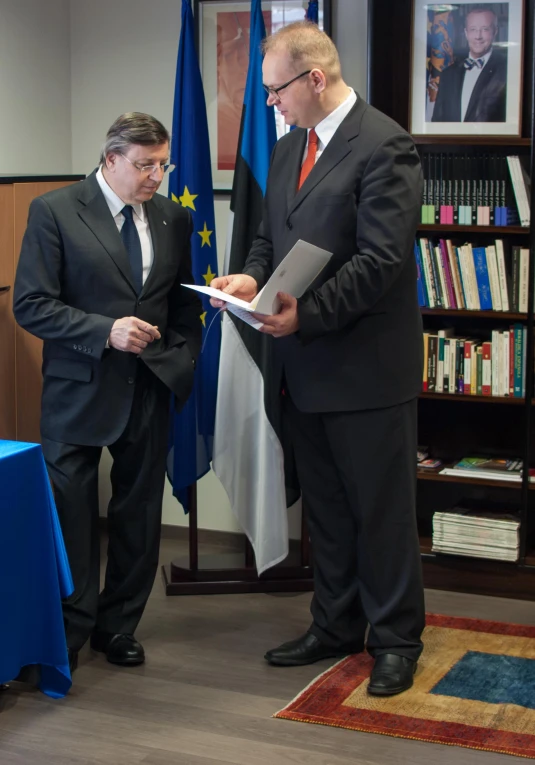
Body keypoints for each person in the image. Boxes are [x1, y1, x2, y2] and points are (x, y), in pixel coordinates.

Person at [211, 21, 424, 697]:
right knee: (327, 510)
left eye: (275, 90)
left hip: (364, 369)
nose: (269, 103)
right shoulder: (283, 151)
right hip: (301, 367)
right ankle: (334, 624)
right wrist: (249, 278)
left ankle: (395, 638)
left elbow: (381, 263)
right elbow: (267, 241)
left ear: (314, 79)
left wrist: (308, 313)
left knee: (380, 512)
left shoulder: (383, 143)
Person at [13, 113, 202, 674]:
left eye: (163, 165)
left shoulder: (173, 217)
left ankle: (118, 627)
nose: (157, 177)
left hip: (147, 388)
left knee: (138, 515)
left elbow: (181, 306)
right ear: (111, 159)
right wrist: (105, 331)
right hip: (77, 391)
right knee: (71, 514)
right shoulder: (55, 210)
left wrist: (181, 359)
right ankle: (69, 631)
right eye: (145, 165)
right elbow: (31, 304)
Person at [432, 6, 507, 123]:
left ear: (495, 32)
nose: (478, 36)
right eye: (473, 29)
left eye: (485, 29)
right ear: (466, 33)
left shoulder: (507, 72)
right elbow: (436, 122)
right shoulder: (448, 74)